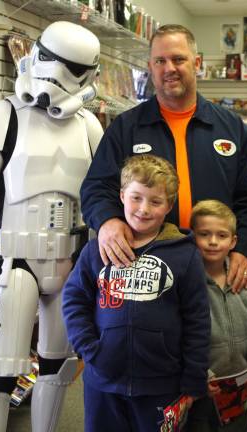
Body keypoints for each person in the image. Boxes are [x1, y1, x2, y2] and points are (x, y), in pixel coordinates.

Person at [0, 21, 103, 432]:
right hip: (14, 260)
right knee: (1, 370)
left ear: (90, 74)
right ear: (34, 53)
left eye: (69, 66)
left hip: (71, 264)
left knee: (57, 367)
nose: (54, 72)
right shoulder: (2, 116)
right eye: (48, 57)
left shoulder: (89, 126)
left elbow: (100, 198)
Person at [80, 24, 247, 293]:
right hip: (145, 266)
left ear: (197, 63)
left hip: (212, 266)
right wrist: (108, 221)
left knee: (213, 335)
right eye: (160, 61)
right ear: (150, 67)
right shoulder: (126, 127)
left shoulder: (230, 127)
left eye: (179, 59)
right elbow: (96, 187)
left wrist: (246, 250)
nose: (169, 68)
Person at [63, 154, 211, 432]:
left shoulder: (185, 255)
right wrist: (90, 350)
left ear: (169, 205)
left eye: (155, 201)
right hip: (102, 380)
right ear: (121, 196)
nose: (144, 209)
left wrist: (194, 377)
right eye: (136, 198)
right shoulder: (97, 249)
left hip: (162, 382)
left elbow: (198, 320)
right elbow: (74, 300)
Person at [185, 199, 247, 432]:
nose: (213, 242)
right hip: (201, 388)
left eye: (221, 236)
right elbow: (179, 336)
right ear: (192, 236)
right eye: (204, 234)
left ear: (233, 241)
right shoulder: (187, 284)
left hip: (240, 390)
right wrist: (199, 374)